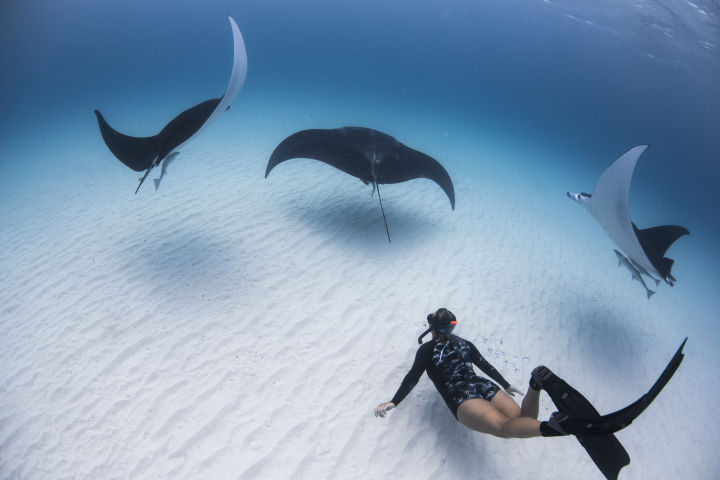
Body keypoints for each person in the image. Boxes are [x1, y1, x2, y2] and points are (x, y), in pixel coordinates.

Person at [374, 307, 563, 438]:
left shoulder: (428, 349)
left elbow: (413, 377)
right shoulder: (462, 343)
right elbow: (484, 365)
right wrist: (504, 384)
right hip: (481, 386)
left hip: (461, 396)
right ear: (438, 328)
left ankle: (552, 428)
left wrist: (394, 401)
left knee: (504, 428)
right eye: (448, 327)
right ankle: (535, 385)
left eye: (452, 326)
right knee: (524, 422)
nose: (450, 331)